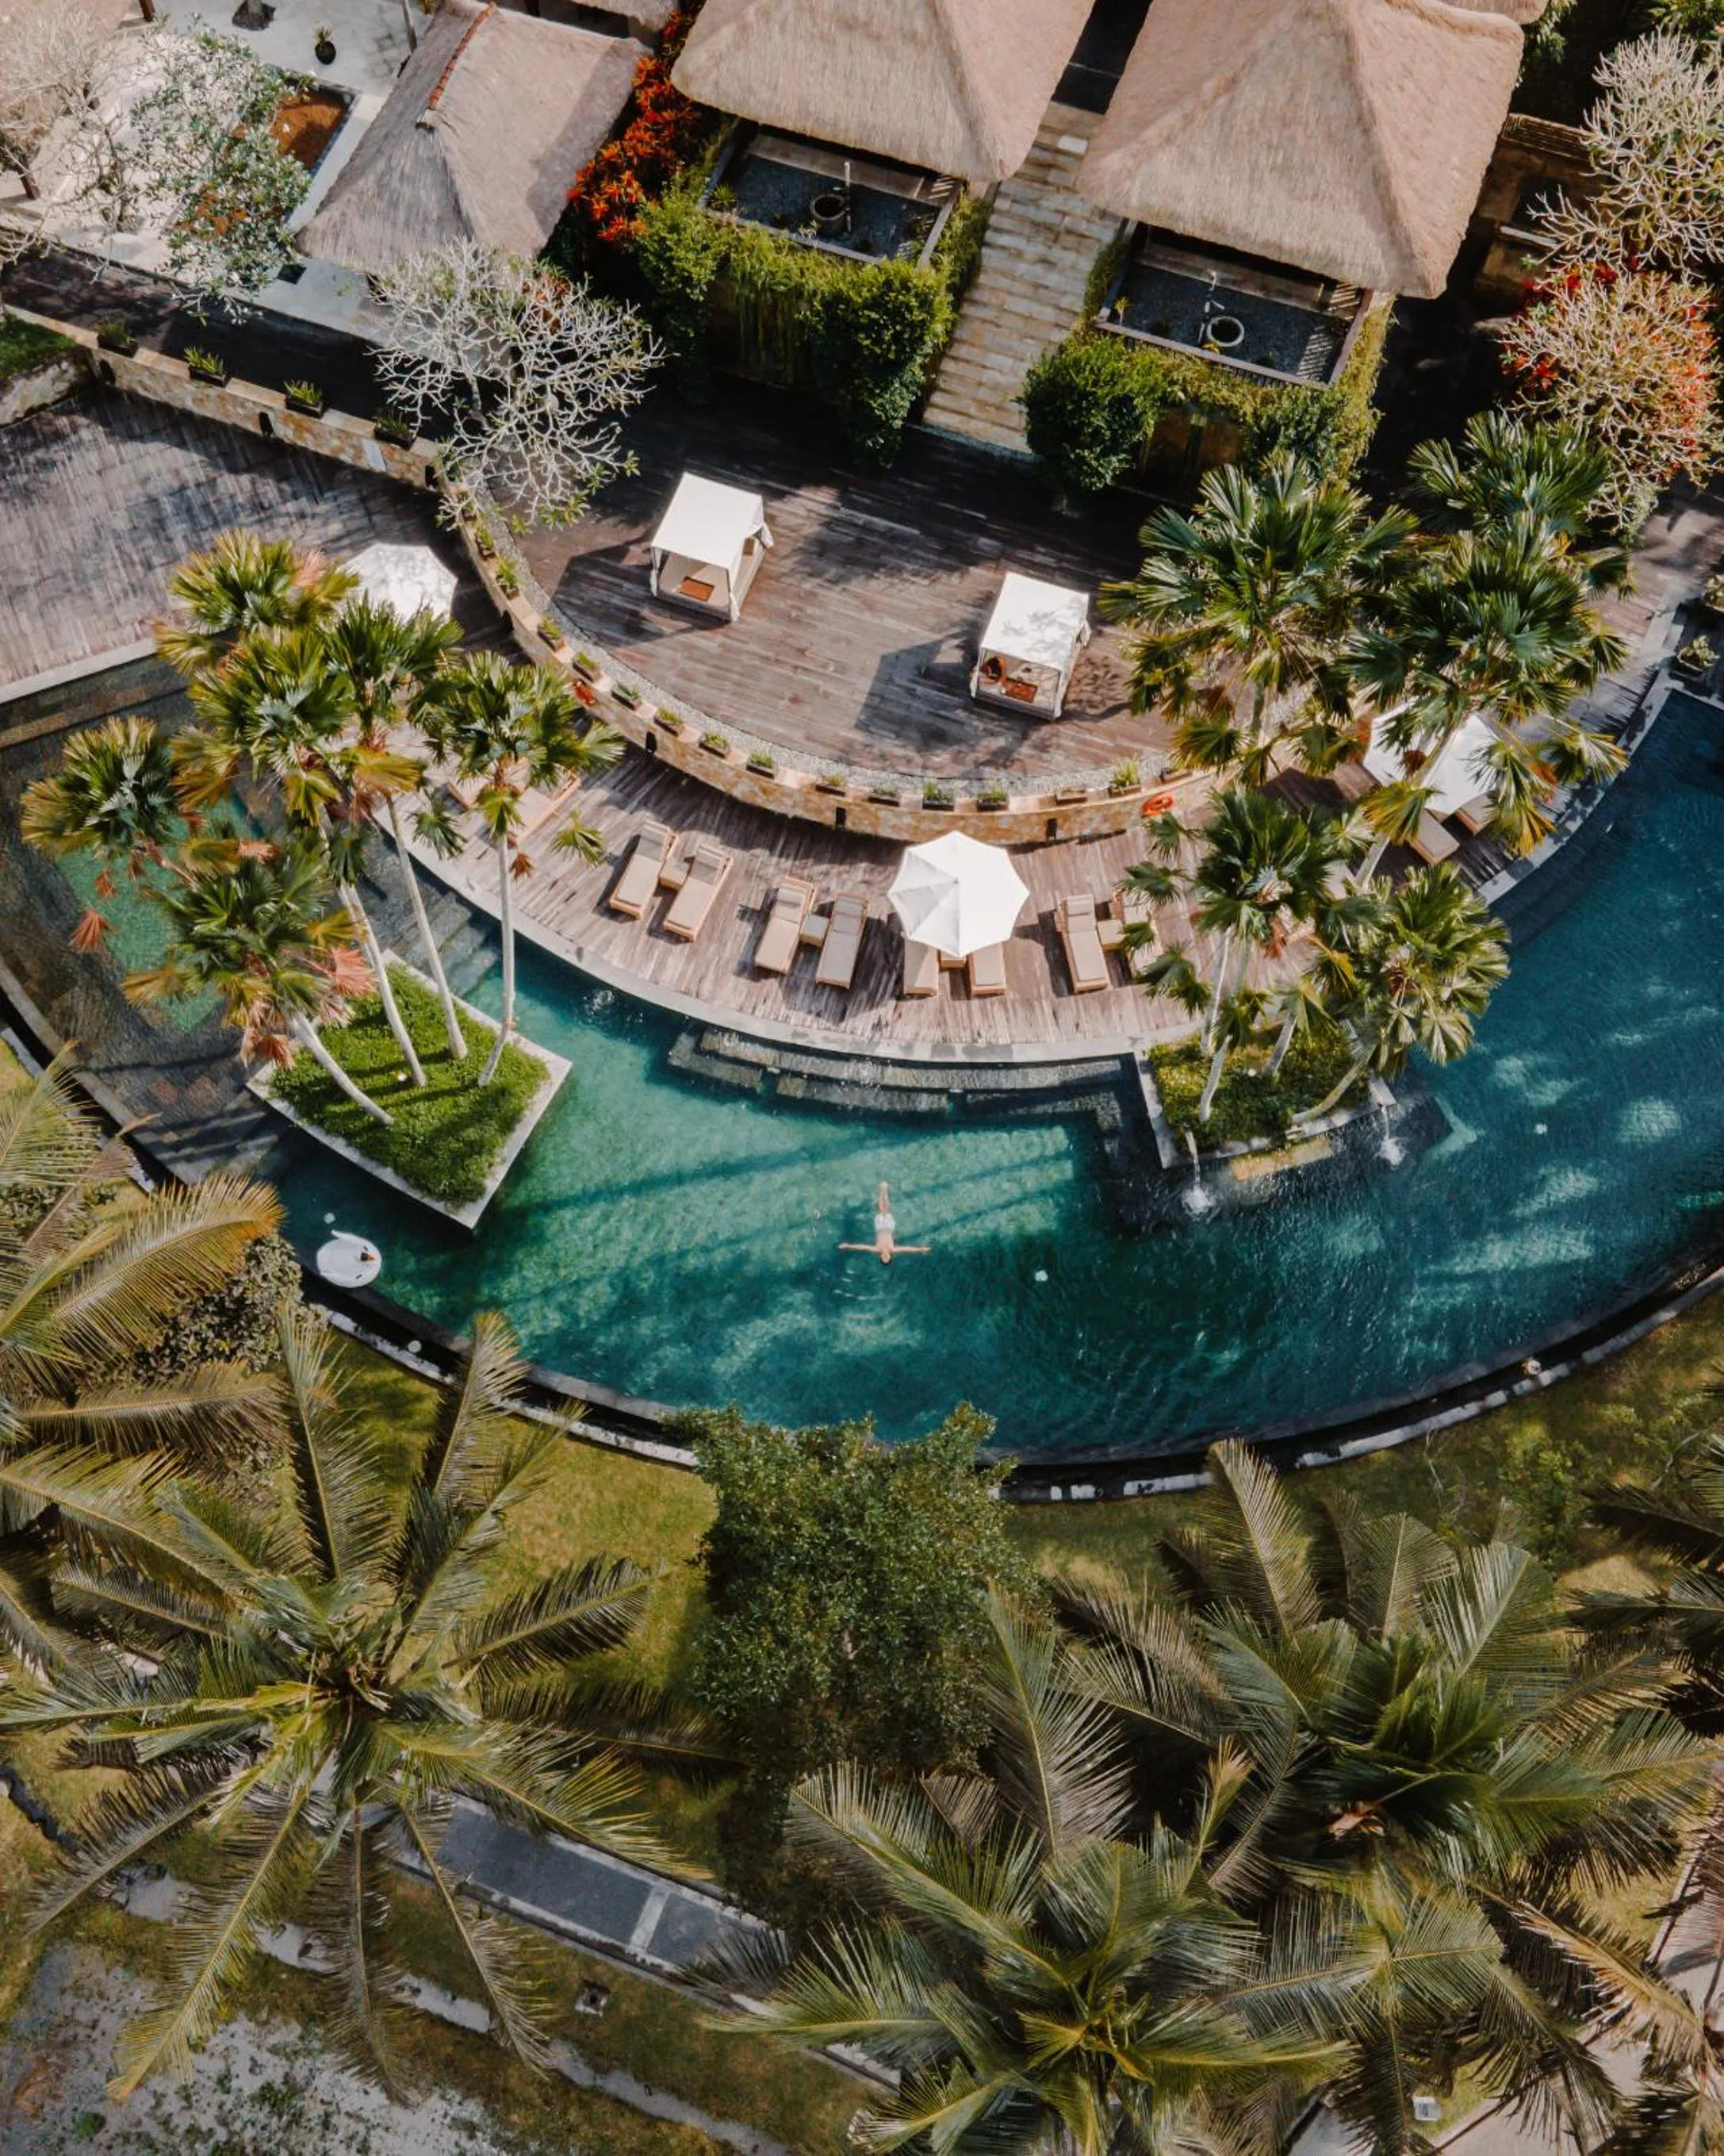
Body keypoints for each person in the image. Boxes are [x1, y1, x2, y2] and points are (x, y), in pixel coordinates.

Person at [838, 1181, 929, 1265]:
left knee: (881, 1209)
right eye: (887, 1258)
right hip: (889, 1227)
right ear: (890, 1257)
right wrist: (920, 1250)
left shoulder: (877, 1249)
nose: (886, 1256)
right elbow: (907, 1249)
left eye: (884, 1258)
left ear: (880, 1257)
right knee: (887, 1208)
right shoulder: (892, 1249)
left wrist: (848, 1246)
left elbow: (863, 1247)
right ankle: (884, 1189)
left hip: (879, 1227)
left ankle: (883, 1189)